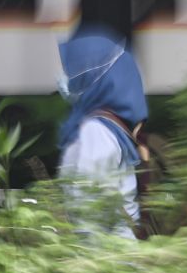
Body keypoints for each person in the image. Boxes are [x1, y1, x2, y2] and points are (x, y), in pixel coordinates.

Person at [56, 25, 148, 239]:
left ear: (94, 78)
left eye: (73, 71)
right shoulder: (112, 128)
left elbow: (90, 211)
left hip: (106, 258)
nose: (67, 79)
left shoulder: (96, 132)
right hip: (117, 254)